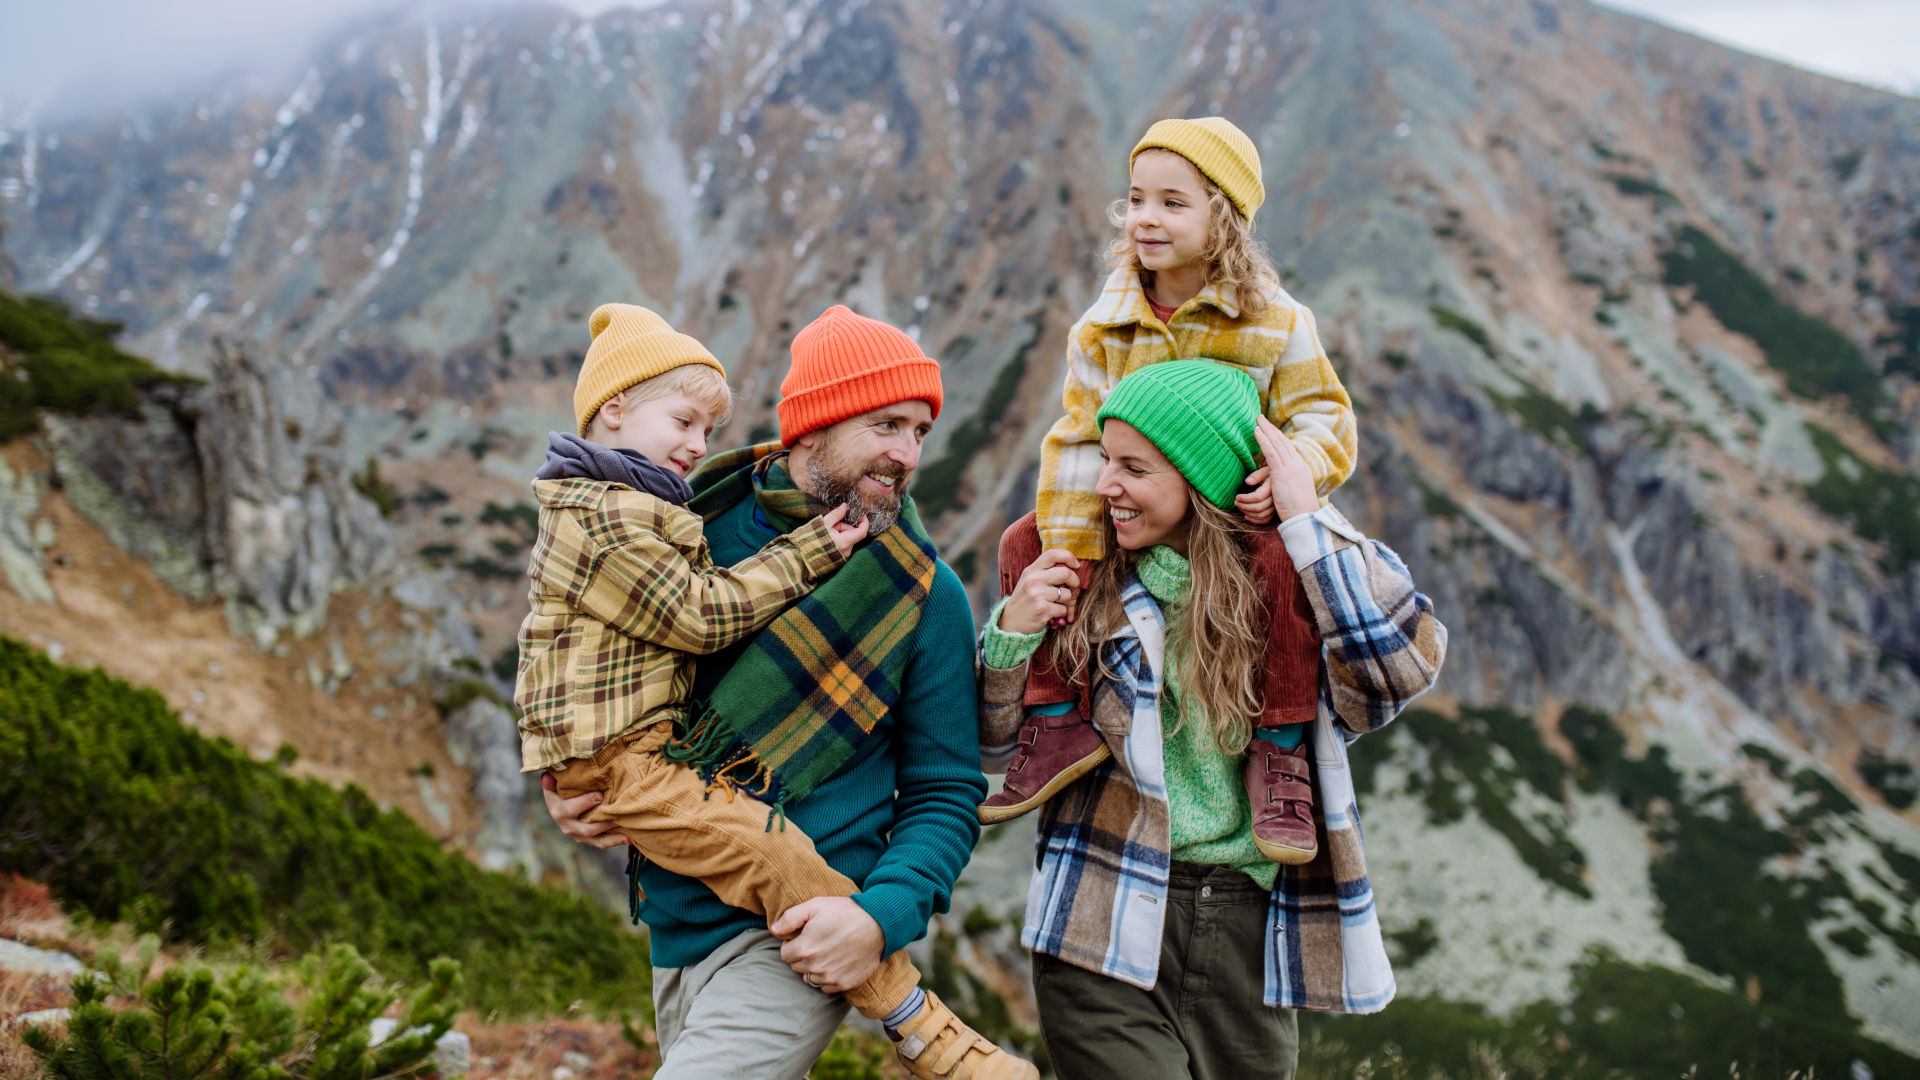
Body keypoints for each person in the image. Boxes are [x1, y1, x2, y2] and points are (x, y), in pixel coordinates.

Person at [543, 305, 1035, 1080]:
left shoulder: (924, 594)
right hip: (675, 924)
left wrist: (877, 918)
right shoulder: (683, 530)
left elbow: (945, 791)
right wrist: (570, 780)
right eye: (887, 425)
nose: (907, 454)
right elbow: (593, 665)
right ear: (813, 425)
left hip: (808, 934)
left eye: (920, 432)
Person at [979, 361, 1446, 1080]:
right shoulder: (1085, 570)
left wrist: (1305, 518)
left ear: (1199, 479)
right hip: (1097, 909)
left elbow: (1399, 670)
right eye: (1107, 461)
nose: (1106, 485)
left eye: (1134, 468)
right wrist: (1012, 630)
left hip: (1246, 931)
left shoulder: (1290, 591)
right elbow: (991, 739)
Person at [985, 117, 1359, 868]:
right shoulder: (1105, 325)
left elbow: (1325, 416)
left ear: (1224, 217)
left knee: (1286, 561)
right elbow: (1079, 433)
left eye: (1172, 202)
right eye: (1135, 199)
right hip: (1137, 502)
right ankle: (1055, 716)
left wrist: (1288, 480)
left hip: (1230, 512)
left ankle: (1279, 746)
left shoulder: (1277, 321)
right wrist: (1070, 539)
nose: (1145, 219)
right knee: (1024, 543)